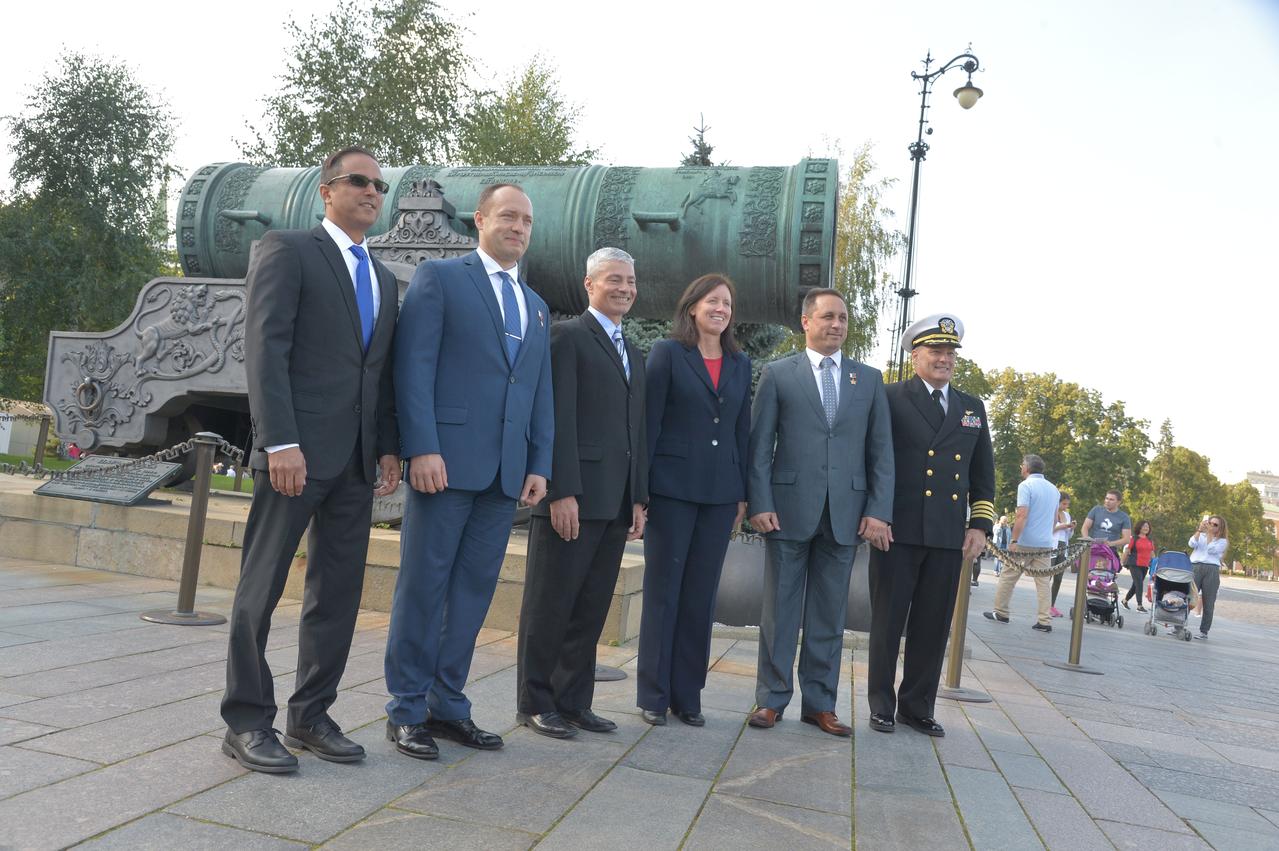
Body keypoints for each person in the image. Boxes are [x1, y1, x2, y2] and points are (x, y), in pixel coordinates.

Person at [221, 146, 401, 774]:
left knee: (338, 593)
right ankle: (246, 720)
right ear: (328, 190)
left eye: (380, 185)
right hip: (294, 454)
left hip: (353, 463)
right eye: (359, 181)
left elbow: (377, 374)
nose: (372, 192)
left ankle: (310, 715)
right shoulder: (289, 250)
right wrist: (279, 441)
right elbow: (265, 350)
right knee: (261, 587)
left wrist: (386, 447)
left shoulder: (382, 278)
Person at [385, 183, 553, 759]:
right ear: (480, 220)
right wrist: (422, 448)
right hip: (445, 465)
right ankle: (406, 708)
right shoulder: (443, 279)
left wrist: (539, 463)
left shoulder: (535, 305)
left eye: (527, 221)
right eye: (508, 216)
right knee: (424, 585)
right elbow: (414, 369)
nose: (519, 227)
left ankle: (448, 705)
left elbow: (538, 393)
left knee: (474, 592)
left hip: (505, 475)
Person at [746, 288, 893, 737]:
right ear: (806, 322)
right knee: (780, 611)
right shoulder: (778, 374)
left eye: (843, 318)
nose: (837, 325)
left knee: (830, 615)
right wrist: (761, 502)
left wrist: (878, 511)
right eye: (828, 316)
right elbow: (759, 448)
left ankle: (820, 704)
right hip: (787, 511)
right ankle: (771, 701)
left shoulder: (867, 380)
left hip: (846, 514)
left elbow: (881, 451)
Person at [515, 248, 649, 739]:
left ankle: (574, 701)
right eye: (614, 279)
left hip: (614, 501)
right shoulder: (566, 338)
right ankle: (535, 701)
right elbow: (555, 419)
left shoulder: (631, 351)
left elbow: (637, 431)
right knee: (550, 605)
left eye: (630, 281)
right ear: (589, 285)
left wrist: (638, 498)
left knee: (591, 607)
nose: (625, 288)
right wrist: (560, 491)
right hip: (573, 497)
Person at [867, 313, 994, 738]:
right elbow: (874, 462)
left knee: (933, 625)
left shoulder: (971, 408)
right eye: (936, 350)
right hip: (896, 531)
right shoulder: (888, 397)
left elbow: (983, 476)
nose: (944, 358)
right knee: (887, 622)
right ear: (915, 354)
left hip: (945, 536)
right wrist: (875, 515)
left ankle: (917, 706)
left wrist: (979, 525)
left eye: (950, 352)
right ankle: (882, 704)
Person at [637, 274, 751, 727]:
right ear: (692, 307)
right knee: (664, 591)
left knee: (702, 597)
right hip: (670, 490)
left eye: (726, 303)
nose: (721, 309)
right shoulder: (668, 353)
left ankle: (688, 695)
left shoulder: (740, 363)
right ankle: (652, 693)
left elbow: (742, 431)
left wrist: (742, 493)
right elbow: (648, 424)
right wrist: (640, 494)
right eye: (712, 301)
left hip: (720, 495)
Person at [984, 455, 1059, 632]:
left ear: (1026, 468)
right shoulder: (1054, 489)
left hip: (1025, 540)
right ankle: (1044, 620)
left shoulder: (1025, 486)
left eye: (1022, 465)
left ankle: (1001, 612)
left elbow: (1021, 515)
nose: (1020, 468)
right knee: (1043, 582)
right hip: (1045, 541)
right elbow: (1055, 518)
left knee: (1008, 576)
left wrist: (1014, 540)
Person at [1189, 515, 1228, 639]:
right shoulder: (1201, 535)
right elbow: (1191, 544)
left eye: (1215, 525)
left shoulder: (1222, 541)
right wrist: (1199, 531)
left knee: (1208, 601)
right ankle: (1179, 625)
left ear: (1220, 528)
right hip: (1195, 567)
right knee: (1188, 597)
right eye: (1210, 523)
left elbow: (1211, 550)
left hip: (1211, 570)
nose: (1211, 526)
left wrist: (1210, 535)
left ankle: (1204, 631)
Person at [1080, 490, 1132, 554]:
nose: (1107, 501)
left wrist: (1110, 544)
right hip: (1091, 547)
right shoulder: (1096, 510)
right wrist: (1087, 539)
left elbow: (1126, 539)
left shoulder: (1124, 517)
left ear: (1118, 502)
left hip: (1110, 550)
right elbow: (1085, 527)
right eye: (1106, 498)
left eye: (1111, 499)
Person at [1049, 493, 1075, 617]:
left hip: (1063, 546)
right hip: (1052, 546)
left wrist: (1071, 528)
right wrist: (1062, 526)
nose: (1065, 506)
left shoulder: (1067, 515)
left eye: (1067, 504)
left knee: (1058, 578)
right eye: (1064, 503)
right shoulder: (1051, 512)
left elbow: (1068, 535)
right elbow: (1050, 530)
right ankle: (1044, 604)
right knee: (1047, 576)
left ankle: (1052, 605)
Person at [1121, 520, 1155, 613]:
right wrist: (1122, 562)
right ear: (1139, 527)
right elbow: (1127, 551)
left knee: (1135, 585)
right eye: (1144, 526)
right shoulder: (1134, 538)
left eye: (1147, 527)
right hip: (1134, 563)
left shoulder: (1150, 540)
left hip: (1145, 566)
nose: (1146, 528)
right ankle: (1139, 605)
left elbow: (1152, 553)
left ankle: (1124, 601)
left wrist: (1155, 564)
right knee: (1139, 584)